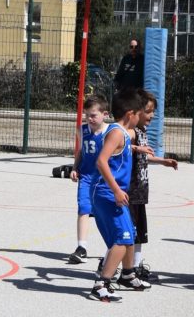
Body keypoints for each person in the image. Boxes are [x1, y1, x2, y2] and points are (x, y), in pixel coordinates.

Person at [89, 88, 150, 302]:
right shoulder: (116, 132)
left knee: (129, 233)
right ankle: (101, 284)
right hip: (107, 192)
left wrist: (136, 149)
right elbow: (101, 161)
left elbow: (119, 150)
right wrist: (116, 189)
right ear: (130, 114)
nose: (141, 118)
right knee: (122, 239)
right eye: (140, 114)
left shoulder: (121, 133)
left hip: (111, 192)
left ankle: (127, 274)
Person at [128, 89, 178, 280]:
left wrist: (162, 161)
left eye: (153, 112)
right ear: (135, 111)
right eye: (148, 111)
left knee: (140, 232)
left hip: (140, 190)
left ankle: (136, 265)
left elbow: (143, 156)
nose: (152, 116)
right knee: (126, 231)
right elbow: (118, 146)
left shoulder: (142, 131)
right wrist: (135, 148)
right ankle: (109, 262)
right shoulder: (130, 132)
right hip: (129, 190)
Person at [68, 95, 110, 264]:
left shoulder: (111, 132)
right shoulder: (82, 130)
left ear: (105, 114)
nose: (89, 119)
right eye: (87, 115)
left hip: (104, 178)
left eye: (93, 115)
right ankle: (81, 248)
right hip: (86, 177)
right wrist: (74, 168)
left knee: (105, 214)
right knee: (83, 209)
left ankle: (113, 247)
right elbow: (80, 152)